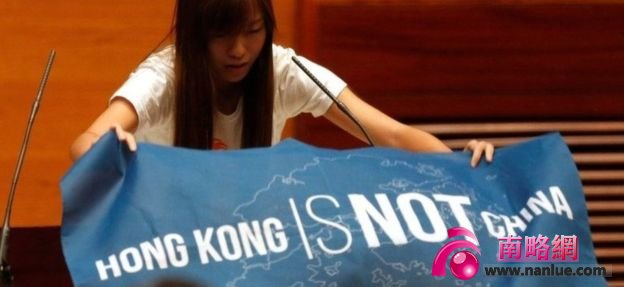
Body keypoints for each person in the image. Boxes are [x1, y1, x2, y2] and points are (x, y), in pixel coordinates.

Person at [70, 0, 494, 167]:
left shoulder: (283, 69)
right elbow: (86, 138)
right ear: (197, 34)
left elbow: (392, 134)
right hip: (170, 244)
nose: (239, 50)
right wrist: (104, 148)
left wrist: (464, 166)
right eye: (222, 34)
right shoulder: (168, 75)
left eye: (252, 31)